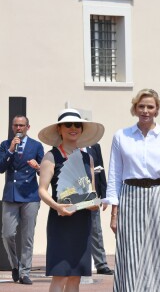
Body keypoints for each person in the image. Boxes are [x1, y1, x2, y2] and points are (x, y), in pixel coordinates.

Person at [102, 88, 160, 292]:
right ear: (135, 108)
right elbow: (114, 173)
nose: (145, 111)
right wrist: (114, 212)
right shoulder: (121, 136)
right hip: (130, 195)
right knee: (130, 252)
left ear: (157, 110)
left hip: (159, 195)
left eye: (150, 106)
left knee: (159, 252)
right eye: (141, 106)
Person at [38, 108, 104, 292]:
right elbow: (42, 190)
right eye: (68, 124)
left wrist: (95, 203)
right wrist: (56, 205)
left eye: (77, 125)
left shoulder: (87, 158)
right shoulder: (51, 156)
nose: (73, 128)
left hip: (82, 222)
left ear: (82, 129)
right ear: (59, 129)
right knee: (60, 275)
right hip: (60, 221)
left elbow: (91, 191)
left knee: (76, 276)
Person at [0, 115, 44, 285]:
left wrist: (38, 167)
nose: (19, 128)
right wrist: (10, 150)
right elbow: (0, 167)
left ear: (28, 127)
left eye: (22, 125)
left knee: (27, 236)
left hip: (30, 196)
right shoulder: (5, 145)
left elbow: (45, 172)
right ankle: (15, 265)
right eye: (16, 125)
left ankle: (25, 272)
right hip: (11, 195)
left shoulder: (36, 146)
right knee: (7, 234)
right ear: (12, 127)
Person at [85, 144, 114, 275]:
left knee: (96, 230)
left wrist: (104, 195)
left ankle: (101, 264)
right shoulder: (66, 144)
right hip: (72, 195)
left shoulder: (94, 146)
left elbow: (100, 170)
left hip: (93, 195)